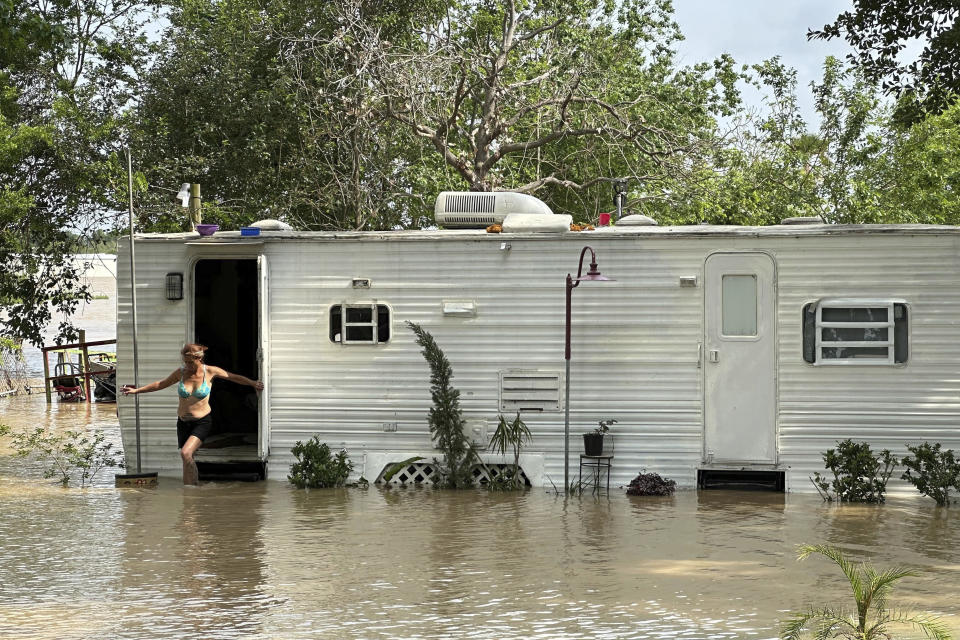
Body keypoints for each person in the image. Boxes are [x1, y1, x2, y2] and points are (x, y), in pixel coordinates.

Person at [121, 343, 264, 485]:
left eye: (190, 362)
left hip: (202, 422)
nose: (187, 365)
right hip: (183, 422)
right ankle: (189, 494)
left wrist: (253, 383)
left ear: (199, 359)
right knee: (187, 459)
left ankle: (195, 485)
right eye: (185, 362)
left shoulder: (210, 371)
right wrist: (136, 391)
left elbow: (233, 377)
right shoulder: (181, 372)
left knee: (185, 453)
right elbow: (161, 384)